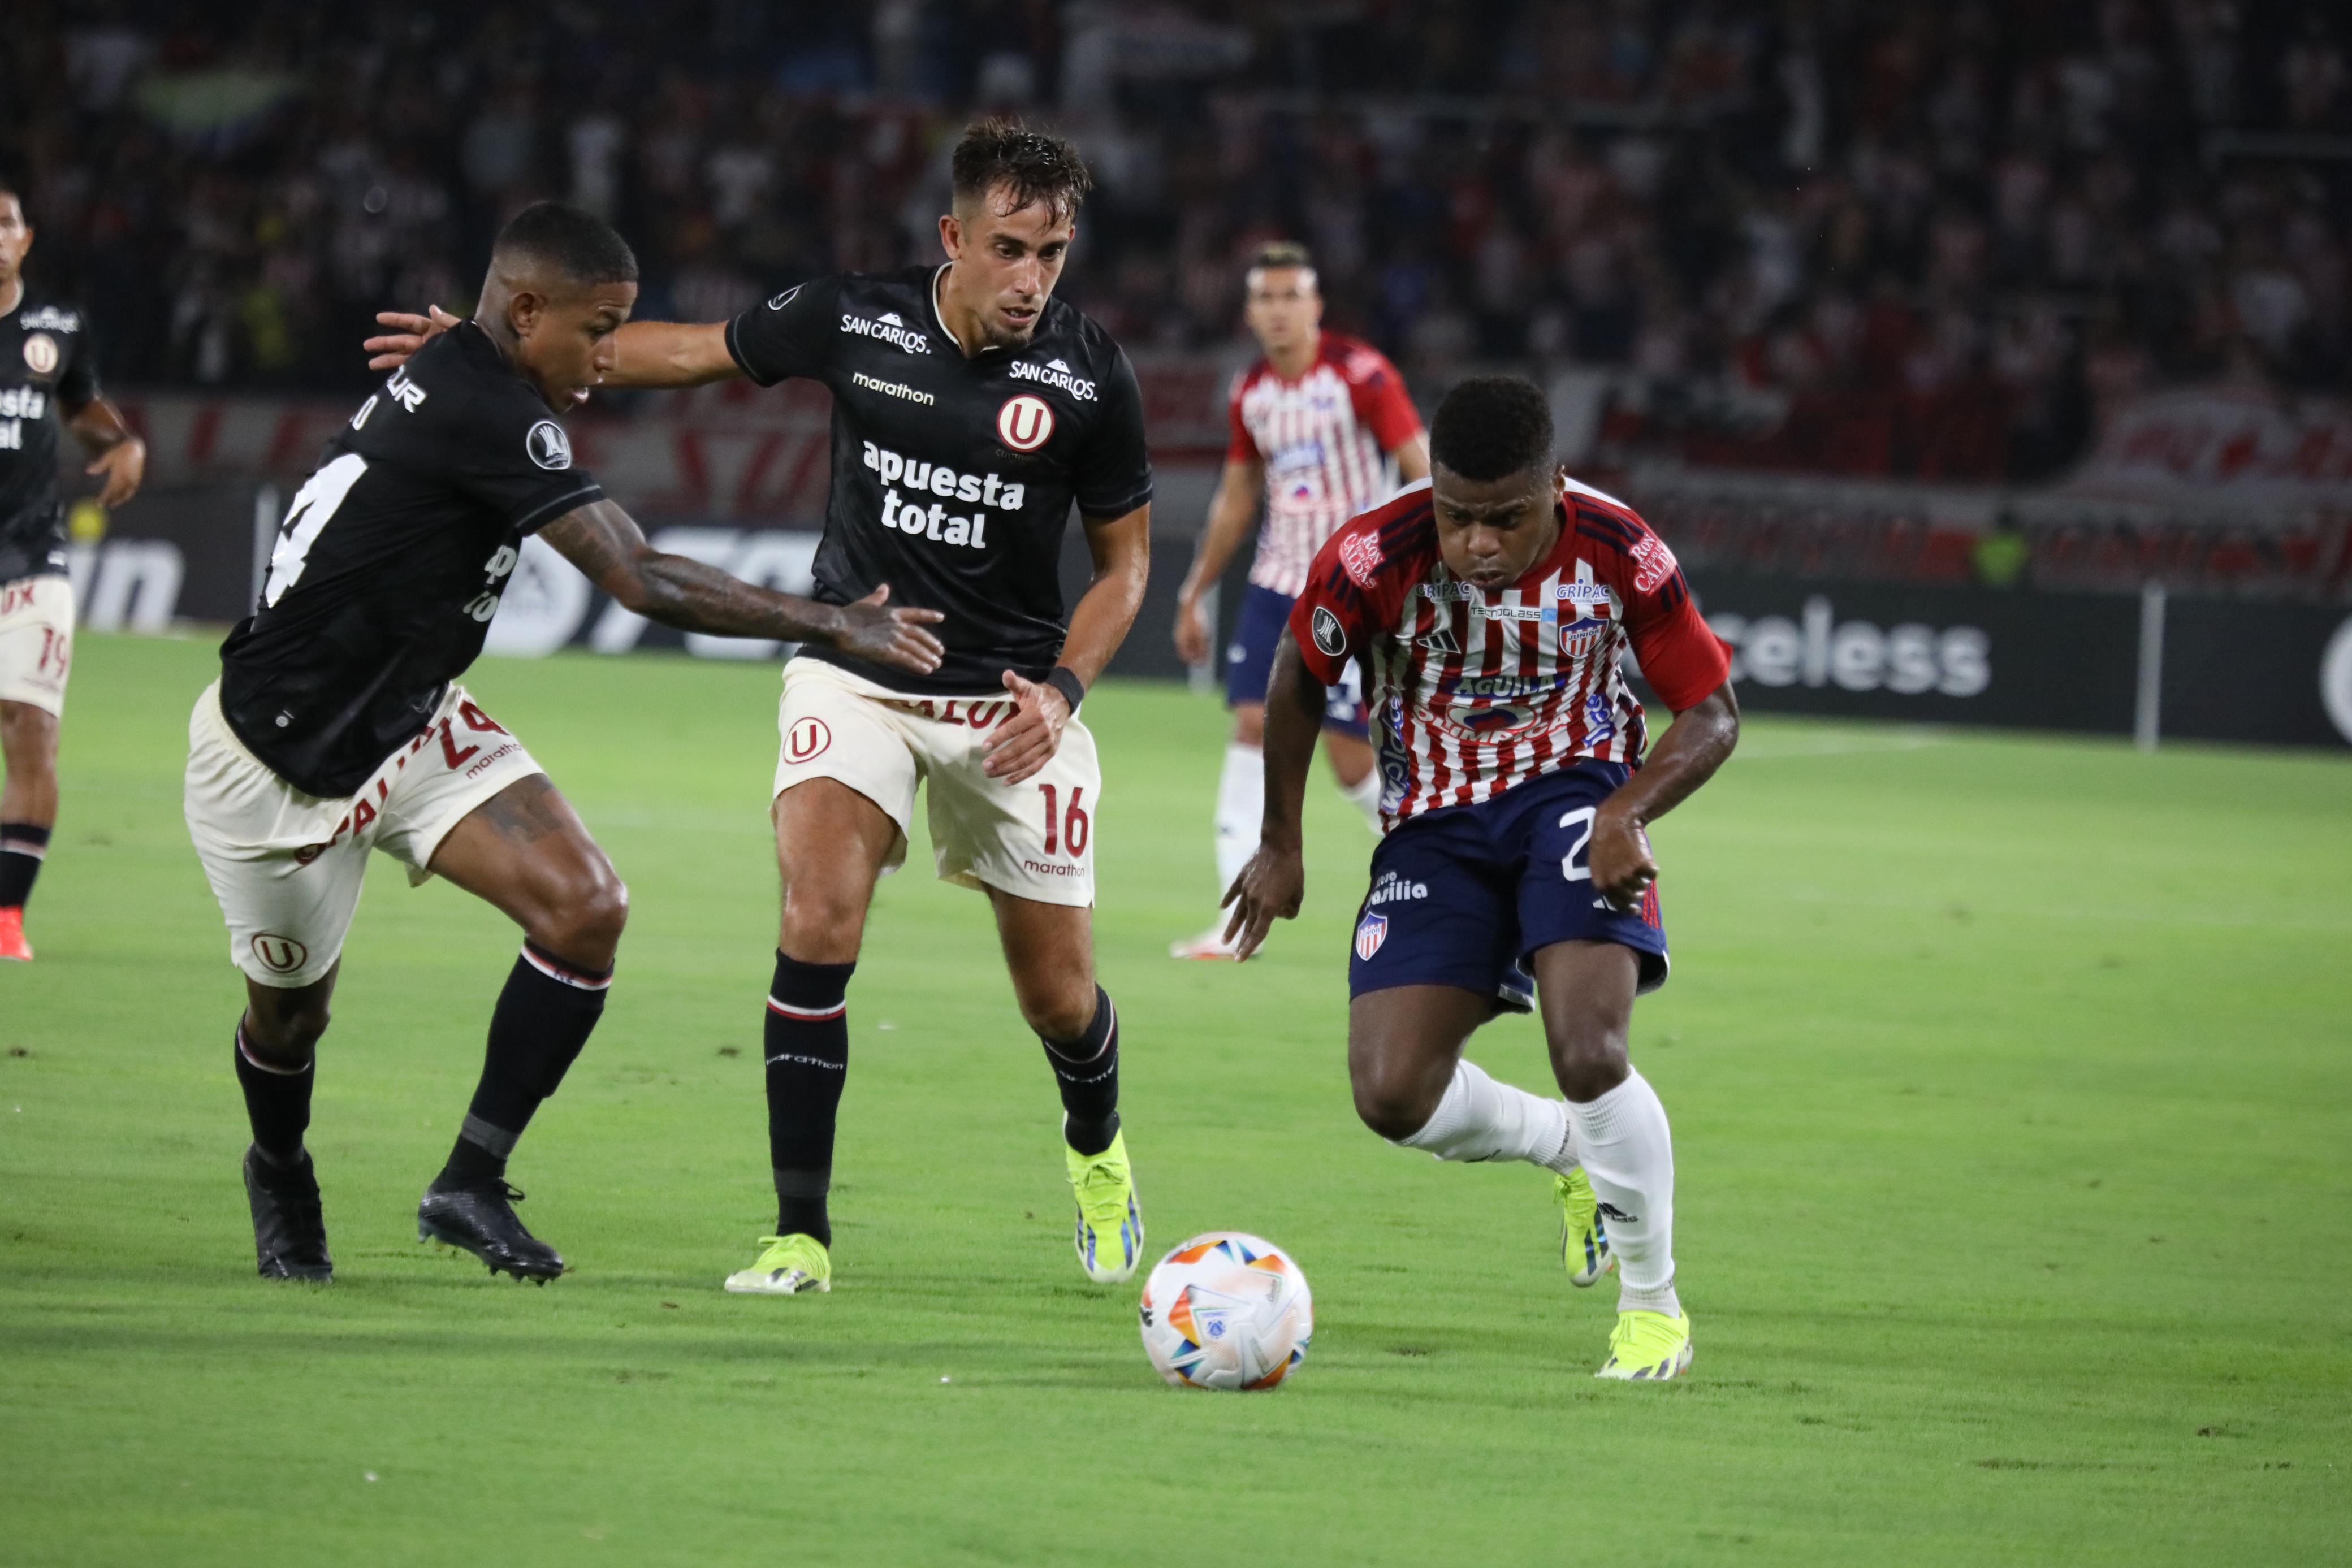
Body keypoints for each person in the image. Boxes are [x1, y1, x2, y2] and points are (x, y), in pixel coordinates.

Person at [366, 119, 1154, 1298]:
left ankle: (1096, 1146)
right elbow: (681, 352)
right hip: (854, 671)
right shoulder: (854, 318)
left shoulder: (1091, 376)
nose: (1033, 278)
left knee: (1058, 996)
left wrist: (1063, 688)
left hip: (1008, 702)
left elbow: (1124, 568)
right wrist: (493, 355)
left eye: (1052, 251)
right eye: (1010, 248)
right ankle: (800, 1235)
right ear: (953, 237)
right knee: (817, 916)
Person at [196, 201, 943, 1286]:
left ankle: (469, 1178)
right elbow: (641, 578)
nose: (608, 357)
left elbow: (484, 372)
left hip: (412, 716)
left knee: (586, 904)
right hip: (276, 757)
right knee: (290, 1016)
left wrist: (485, 341)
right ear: (528, 311)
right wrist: (831, 619)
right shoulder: (491, 409)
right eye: (598, 330)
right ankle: (278, 1162)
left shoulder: (473, 367)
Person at [1223, 376, 1739, 1380]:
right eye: (1459, 516)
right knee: (1391, 1091)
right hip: (1433, 824)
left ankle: (1652, 1306)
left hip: (1576, 797)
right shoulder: (1374, 553)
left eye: (1507, 518)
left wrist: (1629, 809)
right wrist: (1281, 841)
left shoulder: (1622, 547)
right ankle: (1567, 1151)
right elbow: (1297, 676)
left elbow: (1712, 711)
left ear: (1556, 482)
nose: (1480, 543)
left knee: (1588, 1048)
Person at [1168, 241, 1427, 959]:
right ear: (1249, 311)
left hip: (1351, 589)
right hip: (1274, 584)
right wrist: (1194, 591)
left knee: (1348, 761)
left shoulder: (1359, 374)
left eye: (1291, 296)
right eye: (1265, 298)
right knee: (1252, 724)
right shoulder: (1249, 392)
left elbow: (1420, 467)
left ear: (1315, 306)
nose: (1279, 310)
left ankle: (1446, 858)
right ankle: (1231, 918)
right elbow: (1236, 497)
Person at [0, 181, 147, 963]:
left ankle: (5, 919)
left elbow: (83, 409)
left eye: (6, 223)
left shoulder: (54, 330)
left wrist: (120, 444)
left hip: (29, 557)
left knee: (32, 728)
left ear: (26, 239)